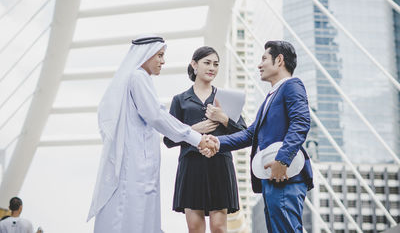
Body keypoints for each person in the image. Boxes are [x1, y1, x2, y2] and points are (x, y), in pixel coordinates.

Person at [87, 36, 218, 233]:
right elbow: (157, 116)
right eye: (160, 55)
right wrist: (197, 138)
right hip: (135, 165)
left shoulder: (135, 78)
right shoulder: (138, 77)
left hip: (136, 162)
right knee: (135, 216)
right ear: (146, 55)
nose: (163, 61)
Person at [208, 41, 313, 232]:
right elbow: (250, 134)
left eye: (264, 58)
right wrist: (216, 141)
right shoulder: (271, 97)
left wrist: (282, 160)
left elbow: (301, 123)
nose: (259, 65)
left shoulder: (292, 86)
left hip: (284, 175)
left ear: (279, 60)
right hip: (272, 177)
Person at [163, 46, 246, 233]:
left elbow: (244, 133)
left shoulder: (225, 98)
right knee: (195, 228)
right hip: (191, 165)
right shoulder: (180, 100)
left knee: (219, 228)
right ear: (194, 64)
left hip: (220, 165)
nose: (212, 68)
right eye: (207, 63)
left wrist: (223, 118)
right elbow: (168, 139)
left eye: (216, 64)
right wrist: (192, 130)